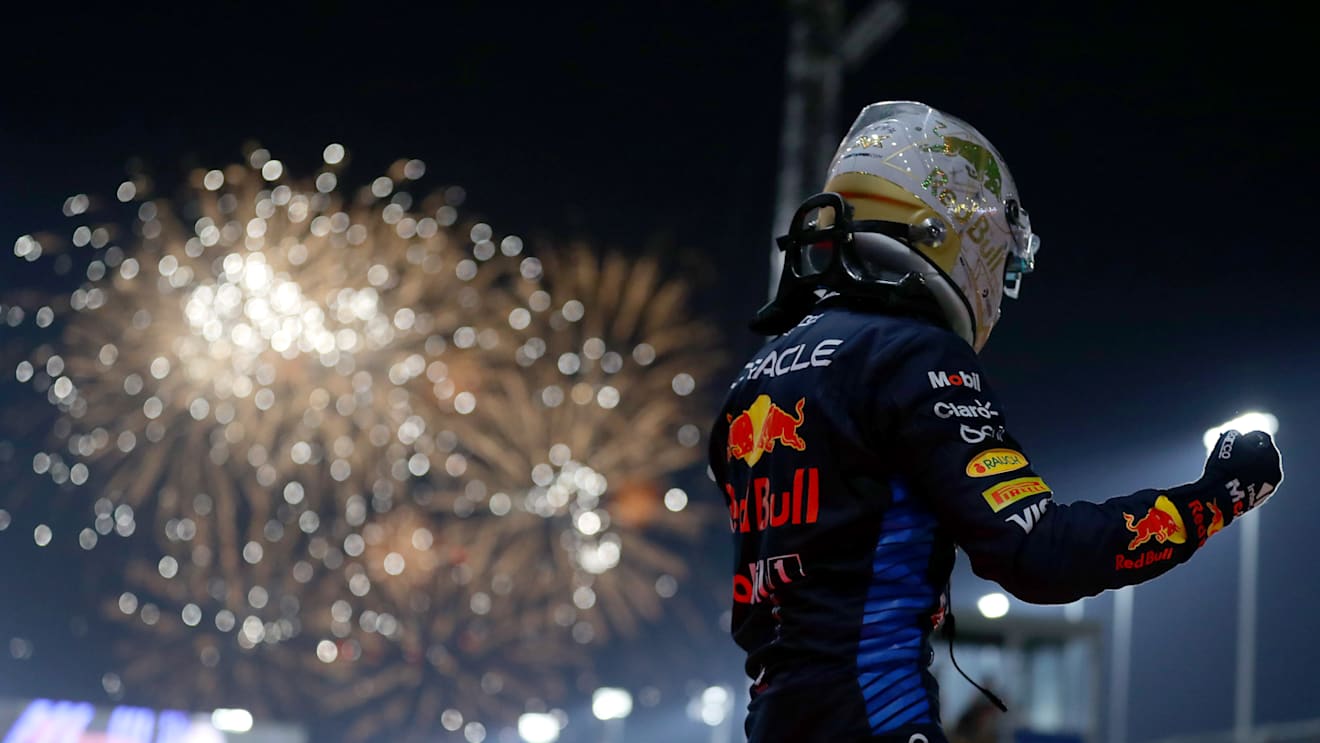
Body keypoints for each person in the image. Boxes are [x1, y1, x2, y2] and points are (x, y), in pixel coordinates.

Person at [707, 101, 1284, 743]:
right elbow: (1039, 553)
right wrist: (1214, 498)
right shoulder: (909, 353)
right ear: (948, 225)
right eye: (1003, 261)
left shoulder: (755, 376)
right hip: (875, 719)